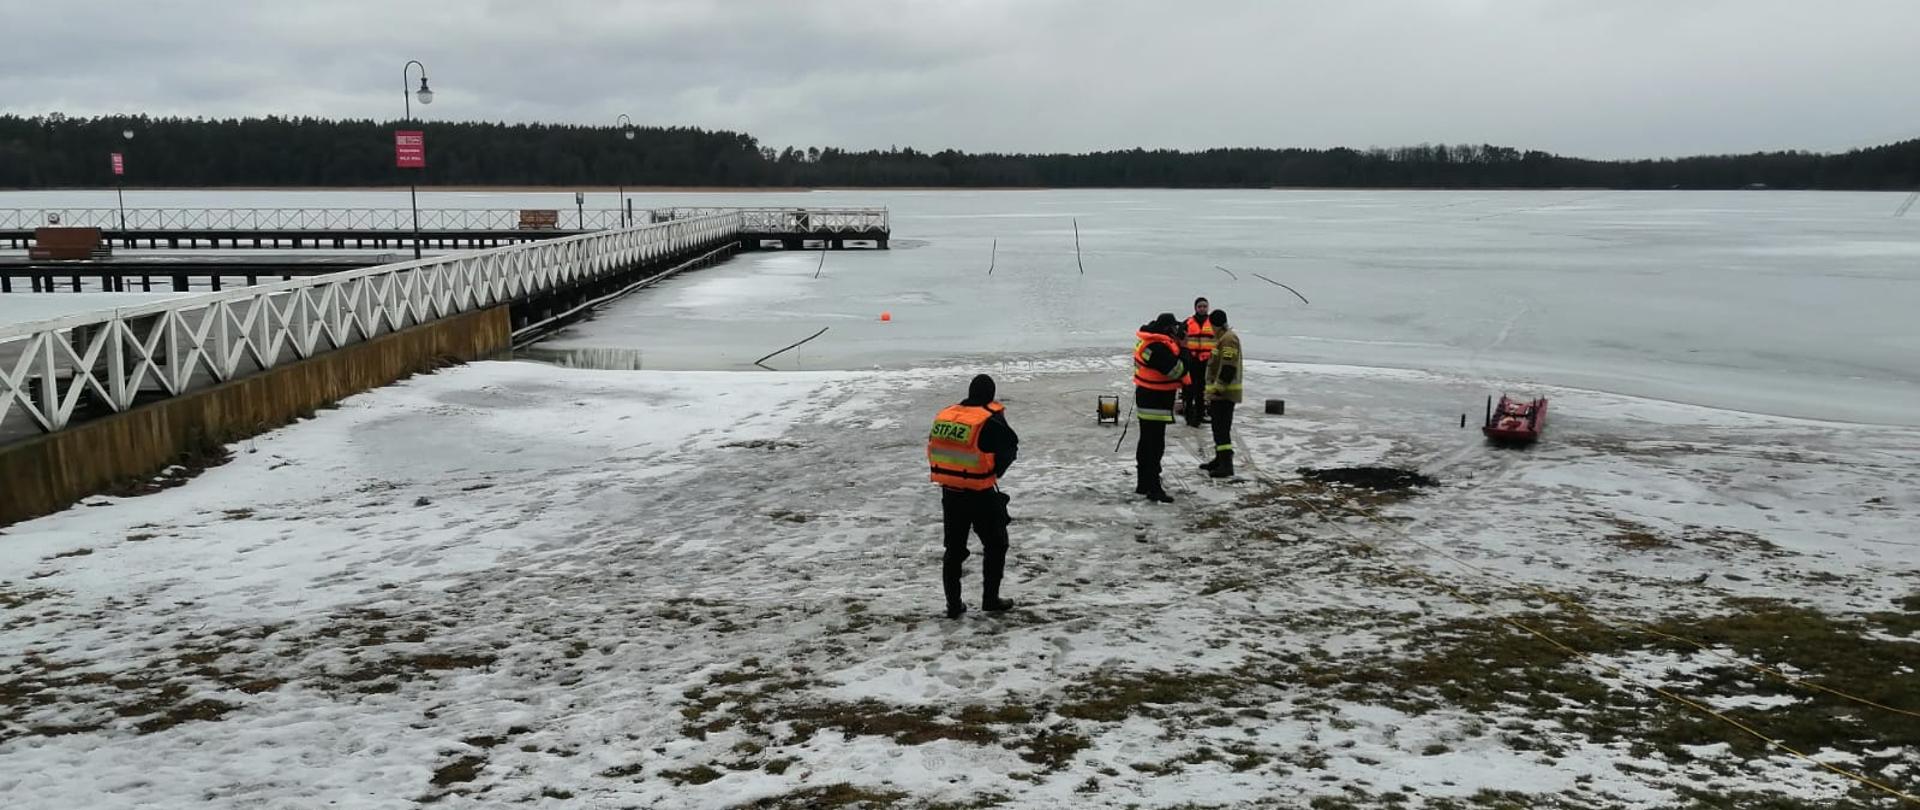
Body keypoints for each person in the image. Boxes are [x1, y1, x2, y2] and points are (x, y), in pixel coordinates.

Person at [927, 374, 1019, 619]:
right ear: (990, 395)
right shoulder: (989, 419)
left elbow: (933, 445)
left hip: (951, 493)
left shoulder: (946, 416)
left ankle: (954, 605)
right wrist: (995, 470)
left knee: (954, 550)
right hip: (980, 494)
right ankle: (990, 599)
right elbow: (1011, 446)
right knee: (996, 543)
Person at [1133, 313, 1190, 503]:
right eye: (1174, 329)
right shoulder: (1158, 348)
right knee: (1154, 446)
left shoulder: (1147, 342)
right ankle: (1153, 487)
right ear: (1167, 329)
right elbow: (1177, 370)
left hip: (1147, 397)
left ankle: (1143, 483)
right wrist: (1183, 349)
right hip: (1155, 401)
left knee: (1146, 442)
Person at [1200, 309, 1242, 478]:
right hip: (1218, 393)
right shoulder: (1222, 338)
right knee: (1217, 428)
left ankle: (1226, 464)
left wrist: (1219, 388)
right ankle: (1219, 459)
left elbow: (1228, 366)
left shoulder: (1229, 339)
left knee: (1222, 429)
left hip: (1225, 393)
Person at [1182, 297, 1215, 427]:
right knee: (1189, 389)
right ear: (1195, 308)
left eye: (1204, 306)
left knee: (1202, 389)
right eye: (1200, 306)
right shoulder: (1188, 323)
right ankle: (1189, 415)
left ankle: (1200, 415)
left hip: (1206, 361)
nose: (1202, 309)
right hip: (1191, 360)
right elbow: (1180, 339)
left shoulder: (1212, 322)